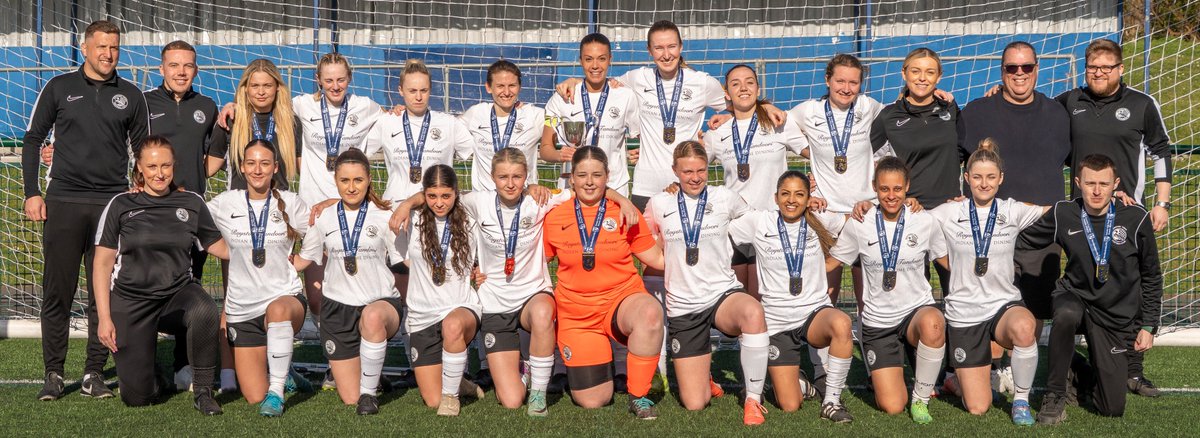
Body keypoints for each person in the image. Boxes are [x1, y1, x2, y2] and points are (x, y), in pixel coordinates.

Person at [22, 20, 150, 401]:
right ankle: (54, 373)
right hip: (63, 201)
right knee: (57, 292)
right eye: (101, 47)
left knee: (102, 295)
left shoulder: (131, 95)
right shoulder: (59, 87)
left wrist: (140, 194)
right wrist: (32, 193)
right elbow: (32, 139)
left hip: (110, 207)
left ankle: (94, 372)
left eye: (114, 48)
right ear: (85, 48)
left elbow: (145, 151)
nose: (108, 54)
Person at [1056, 39, 1173, 397]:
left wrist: (1162, 203)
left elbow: (1161, 151)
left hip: (1127, 211)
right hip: (1082, 212)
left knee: (1129, 285)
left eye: (1106, 67)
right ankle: (1074, 360)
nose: (1099, 73)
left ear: (1120, 69)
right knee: (1080, 284)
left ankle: (1133, 371)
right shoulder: (1069, 102)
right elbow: (1037, 118)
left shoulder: (1142, 104)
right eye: (1093, 67)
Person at [1018, 153, 1163, 424]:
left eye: (1104, 184)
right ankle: (1055, 395)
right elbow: (1022, 240)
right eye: (1090, 183)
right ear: (1077, 183)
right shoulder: (1064, 213)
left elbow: (1151, 275)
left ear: (1115, 184)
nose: (1096, 191)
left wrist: (1149, 324)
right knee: (1066, 313)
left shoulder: (1135, 218)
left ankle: (1077, 370)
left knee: (1112, 408)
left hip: (1113, 314)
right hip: (1074, 297)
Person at [92, 136, 229, 414]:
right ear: (140, 168)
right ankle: (153, 375)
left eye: (166, 165)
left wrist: (265, 247)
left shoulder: (191, 202)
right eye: (152, 166)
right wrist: (104, 319)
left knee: (204, 309)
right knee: (137, 397)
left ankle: (203, 392)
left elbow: (221, 247)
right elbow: (102, 265)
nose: (160, 173)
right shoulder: (120, 204)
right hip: (131, 301)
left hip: (176, 296)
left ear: (174, 166)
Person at [645, 141, 769, 425]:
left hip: (722, 294)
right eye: (687, 171)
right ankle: (705, 376)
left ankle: (752, 399)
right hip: (683, 305)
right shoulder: (659, 203)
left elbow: (756, 220)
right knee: (695, 404)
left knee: (753, 312)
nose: (695, 177)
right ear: (675, 170)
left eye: (701, 170)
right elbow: (643, 239)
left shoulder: (725, 197)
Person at [541, 146, 667, 419]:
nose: (589, 182)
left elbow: (658, 258)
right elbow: (535, 261)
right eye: (582, 175)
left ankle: (639, 395)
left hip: (620, 301)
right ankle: (598, 362)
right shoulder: (554, 216)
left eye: (597, 175)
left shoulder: (624, 212)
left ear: (607, 177)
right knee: (593, 400)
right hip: (577, 314)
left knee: (650, 313)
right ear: (571, 178)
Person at [929, 139, 1049, 425]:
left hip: (1002, 305)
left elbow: (1056, 210)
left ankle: (1021, 401)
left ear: (1001, 179)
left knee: (1025, 326)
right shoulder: (947, 212)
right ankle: (955, 380)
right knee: (978, 407)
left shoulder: (1012, 210)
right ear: (966, 178)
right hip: (964, 312)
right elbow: (911, 220)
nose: (984, 183)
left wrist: (1106, 198)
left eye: (991, 177)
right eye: (978, 177)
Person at [960, 41, 1072, 328]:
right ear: (1002, 71)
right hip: (990, 230)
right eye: (1012, 67)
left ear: (1037, 69)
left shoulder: (1058, 113)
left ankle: (1024, 359)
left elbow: (1083, 161)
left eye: (1026, 67)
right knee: (989, 308)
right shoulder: (976, 112)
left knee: (1034, 312)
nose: (1019, 73)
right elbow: (951, 160)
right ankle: (994, 358)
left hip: (1042, 230)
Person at [729, 170, 855, 423]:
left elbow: (855, 225)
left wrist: (836, 260)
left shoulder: (820, 219)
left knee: (842, 323)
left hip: (814, 313)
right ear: (775, 197)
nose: (791, 200)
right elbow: (718, 231)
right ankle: (804, 386)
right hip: (776, 321)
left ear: (809, 199)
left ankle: (831, 401)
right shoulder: (759, 222)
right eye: (785, 194)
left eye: (799, 194)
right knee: (789, 405)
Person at [830, 157, 948, 424]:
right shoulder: (860, 221)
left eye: (897, 189)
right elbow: (832, 262)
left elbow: (946, 261)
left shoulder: (924, 220)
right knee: (892, 406)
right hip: (878, 323)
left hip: (915, 312)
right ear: (874, 187)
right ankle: (895, 372)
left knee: (933, 322)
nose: (891, 196)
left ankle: (921, 399)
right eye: (884, 189)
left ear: (907, 187)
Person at [292, 149, 404, 415]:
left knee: (372, 318)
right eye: (345, 180)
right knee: (349, 397)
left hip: (379, 303)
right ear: (336, 181)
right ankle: (372, 374)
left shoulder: (385, 215)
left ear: (369, 180)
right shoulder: (323, 217)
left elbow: (405, 260)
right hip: (337, 308)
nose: (351, 187)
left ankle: (370, 394)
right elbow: (304, 259)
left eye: (358, 180)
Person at [207, 139, 312, 416]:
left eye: (264, 163)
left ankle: (277, 392)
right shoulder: (225, 203)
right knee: (254, 396)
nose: (257, 170)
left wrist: (301, 260)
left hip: (284, 299)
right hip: (243, 309)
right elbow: (193, 219)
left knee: (277, 310)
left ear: (275, 167)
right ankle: (286, 372)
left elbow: (318, 231)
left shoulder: (290, 202)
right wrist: (221, 250)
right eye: (251, 163)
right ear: (242, 167)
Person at [701, 64, 807, 299]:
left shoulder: (778, 122)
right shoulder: (717, 133)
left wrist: (816, 184)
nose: (743, 88)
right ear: (727, 93)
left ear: (758, 89)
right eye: (735, 84)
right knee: (737, 298)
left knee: (767, 298)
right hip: (734, 227)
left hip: (772, 225)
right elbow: (692, 167)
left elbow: (815, 154)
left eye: (749, 82)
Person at [392, 164, 486, 416]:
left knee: (452, 326)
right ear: (424, 194)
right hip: (422, 315)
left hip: (460, 307)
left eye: (446, 195)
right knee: (432, 400)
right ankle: (458, 382)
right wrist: (406, 204)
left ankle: (451, 397)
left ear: (456, 192)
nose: (439, 203)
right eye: (432, 196)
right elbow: (403, 258)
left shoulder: (470, 215)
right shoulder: (413, 217)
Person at [541, 32, 641, 195]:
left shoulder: (626, 96)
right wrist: (560, 155)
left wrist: (639, 153)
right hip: (572, 188)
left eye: (601, 59)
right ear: (580, 60)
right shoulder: (562, 97)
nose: (595, 65)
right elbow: (545, 149)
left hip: (613, 187)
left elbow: (642, 137)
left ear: (610, 59)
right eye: (588, 59)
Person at [375, 59, 474, 204]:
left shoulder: (448, 123)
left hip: (435, 207)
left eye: (424, 90)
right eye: (412, 91)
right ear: (400, 90)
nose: (419, 97)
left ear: (430, 90)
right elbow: (358, 154)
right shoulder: (387, 122)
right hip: (395, 206)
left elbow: (480, 154)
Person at [206, 58, 301, 191]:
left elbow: (304, 169)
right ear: (245, 88)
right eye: (255, 86)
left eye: (267, 85)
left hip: (278, 200)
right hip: (240, 201)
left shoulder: (291, 123)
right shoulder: (230, 120)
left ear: (277, 87)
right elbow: (209, 168)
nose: (261, 92)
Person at [462, 60, 545, 192]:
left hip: (522, 198)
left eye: (512, 85)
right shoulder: (476, 113)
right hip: (484, 199)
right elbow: (446, 127)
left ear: (520, 87)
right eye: (500, 86)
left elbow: (563, 120)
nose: (506, 92)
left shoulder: (534, 116)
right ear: (488, 87)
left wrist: (574, 82)